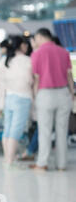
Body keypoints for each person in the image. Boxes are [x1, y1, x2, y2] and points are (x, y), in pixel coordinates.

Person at [29, 28, 73, 172]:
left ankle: (42, 163)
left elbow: (36, 79)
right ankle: (62, 165)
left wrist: (35, 97)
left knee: (45, 131)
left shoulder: (37, 54)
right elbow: (69, 76)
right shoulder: (64, 52)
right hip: (63, 93)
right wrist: (72, 93)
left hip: (45, 94)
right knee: (62, 131)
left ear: (40, 37)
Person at [0, 36, 33, 168]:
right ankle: (10, 161)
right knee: (16, 130)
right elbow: (31, 79)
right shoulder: (27, 60)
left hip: (9, 96)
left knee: (8, 128)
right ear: (21, 46)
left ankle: (7, 158)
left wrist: (6, 82)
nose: (26, 47)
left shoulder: (6, 60)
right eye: (25, 44)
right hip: (23, 97)